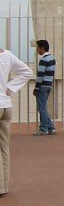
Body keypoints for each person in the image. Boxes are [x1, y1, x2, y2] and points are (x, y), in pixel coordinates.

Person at [0, 48, 34, 195]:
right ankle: (4, 186)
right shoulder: (7, 55)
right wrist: (10, 88)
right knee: (4, 147)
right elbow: (27, 72)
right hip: (6, 105)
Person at [33, 39, 57, 135]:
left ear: (42, 48)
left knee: (41, 107)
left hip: (42, 86)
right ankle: (50, 127)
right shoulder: (52, 58)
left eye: (38, 48)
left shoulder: (43, 60)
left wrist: (36, 88)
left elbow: (40, 76)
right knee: (43, 107)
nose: (37, 50)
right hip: (48, 85)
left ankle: (43, 128)